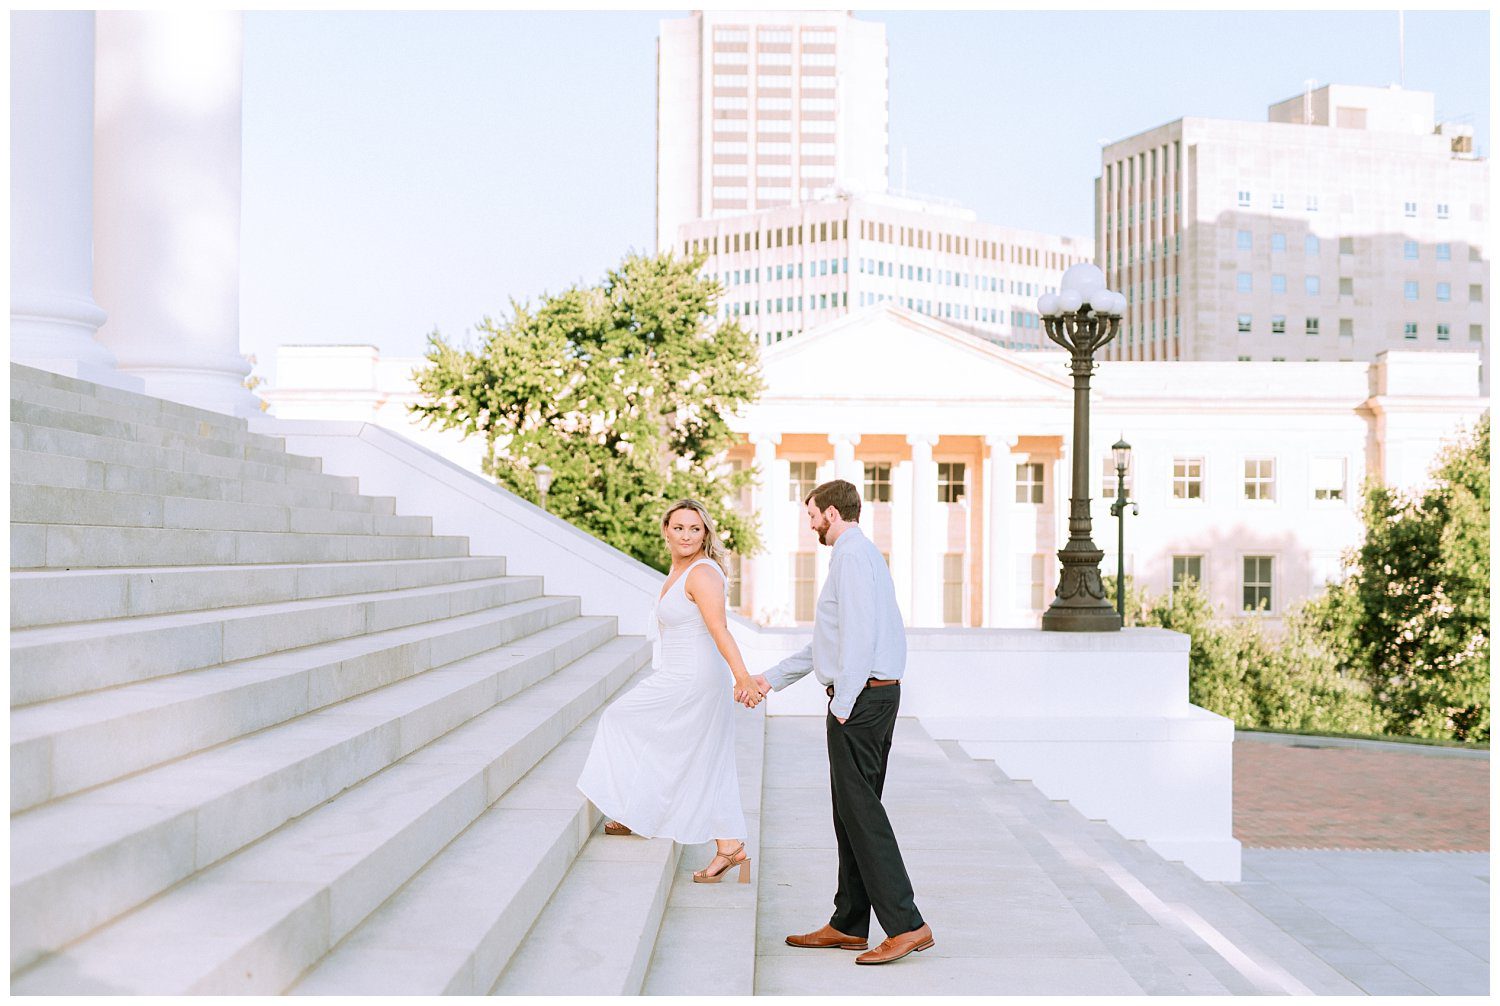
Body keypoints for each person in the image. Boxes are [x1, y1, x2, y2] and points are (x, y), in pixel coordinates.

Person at [748, 479, 933, 964]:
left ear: (832, 513)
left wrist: (843, 702)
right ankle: (849, 923)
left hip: (862, 701)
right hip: (872, 697)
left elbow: (859, 636)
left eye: (812, 517)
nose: (810, 526)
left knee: (862, 815)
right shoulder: (859, 556)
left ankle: (907, 925)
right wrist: (771, 679)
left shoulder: (851, 557)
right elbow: (828, 643)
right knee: (851, 813)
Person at [577, 499, 762, 883]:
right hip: (680, 675)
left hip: (692, 679)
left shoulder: (702, 574)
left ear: (705, 533)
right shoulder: (678, 570)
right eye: (679, 528)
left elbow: (719, 630)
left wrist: (742, 677)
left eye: (695, 529)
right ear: (666, 530)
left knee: (625, 722)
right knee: (687, 751)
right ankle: (725, 845)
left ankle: (718, 842)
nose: (686, 535)